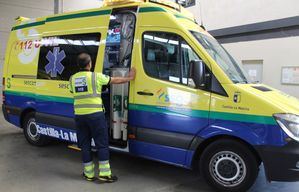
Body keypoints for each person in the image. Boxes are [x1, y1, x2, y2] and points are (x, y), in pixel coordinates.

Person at [69, 53, 136, 183]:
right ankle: (105, 174)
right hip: (95, 116)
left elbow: (73, 92)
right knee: (102, 144)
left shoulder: (72, 79)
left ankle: (88, 174)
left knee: (85, 145)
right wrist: (130, 77)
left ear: (79, 65)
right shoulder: (96, 77)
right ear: (90, 64)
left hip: (79, 117)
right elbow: (115, 80)